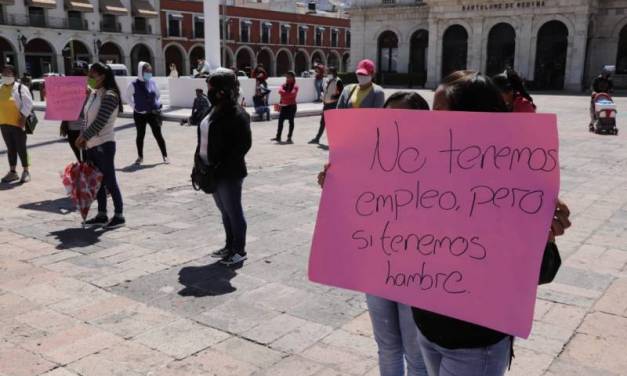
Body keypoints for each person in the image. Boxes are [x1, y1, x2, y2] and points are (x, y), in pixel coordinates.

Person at [411, 70, 571, 376]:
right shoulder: (421, 172)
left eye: (438, 112)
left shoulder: (516, 184)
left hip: (476, 343)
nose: (428, 120)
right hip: (427, 326)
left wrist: (545, 238)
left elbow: (543, 271)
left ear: (472, 119)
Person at [318, 92, 430, 376]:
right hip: (376, 266)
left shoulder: (440, 164)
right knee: (387, 346)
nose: (394, 123)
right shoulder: (370, 157)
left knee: (416, 352)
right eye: (388, 116)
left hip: (417, 272)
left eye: (403, 117)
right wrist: (332, 184)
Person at [198, 68, 252, 266]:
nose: (208, 91)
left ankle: (239, 250)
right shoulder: (212, 109)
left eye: (211, 87)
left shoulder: (238, 115)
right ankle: (229, 246)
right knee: (224, 211)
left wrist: (219, 165)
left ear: (222, 90)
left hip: (228, 173)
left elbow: (242, 147)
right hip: (210, 170)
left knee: (233, 211)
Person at [74, 62, 125, 229]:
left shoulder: (110, 95)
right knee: (98, 183)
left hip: (104, 143)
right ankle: (102, 214)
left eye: (92, 75)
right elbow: (86, 118)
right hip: (92, 144)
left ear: (102, 76)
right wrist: (83, 137)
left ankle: (119, 215)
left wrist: (83, 137)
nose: (89, 78)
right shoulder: (95, 94)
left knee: (110, 179)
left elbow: (100, 121)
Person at [127, 62, 169, 165]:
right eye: (146, 71)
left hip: (152, 113)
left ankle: (165, 156)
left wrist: (156, 103)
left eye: (150, 71)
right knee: (140, 135)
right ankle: (140, 157)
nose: (149, 73)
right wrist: (135, 107)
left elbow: (158, 95)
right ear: (141, 71)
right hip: (139, 114)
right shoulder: (133, 84)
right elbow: (128, 97)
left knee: (158, 135)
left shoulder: (152, 82)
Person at [0, 65, 32, 184]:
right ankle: (13, 172)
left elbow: (28, 104)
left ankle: (26, 170)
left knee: (21, 147)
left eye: (8, 73)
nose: (6, 75)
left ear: (14, 75)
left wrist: (23, 117)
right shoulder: (0, 88)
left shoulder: (20, 88)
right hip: (3, 123)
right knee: (10, 148)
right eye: (4, 73)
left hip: (18, 123)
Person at [60, 61, 90, 160]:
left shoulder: (90, 91)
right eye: (75, 72)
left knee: (87, 159)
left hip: (86, 129)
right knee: (80, 159)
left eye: (80, 73)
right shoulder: (67, 90)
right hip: (71, 128)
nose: (77, 75)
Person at [309, 66, 344, 144]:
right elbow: (325, 90)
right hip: (326, 104)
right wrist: (323, 96)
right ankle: (317, 138)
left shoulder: (338, 81)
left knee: (333, 124)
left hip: (333, 105)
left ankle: (337, 140)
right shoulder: (328, 80)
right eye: (328, 72)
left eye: (329, 72)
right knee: (323, 122)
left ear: (334, 72)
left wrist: (333, 97)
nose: (328, 73)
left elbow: (341, 94)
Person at [272, 71, 299, 143]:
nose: (287, 78)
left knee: (291, 122)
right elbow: (280, 91)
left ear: (293, 78)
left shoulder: (295, 86)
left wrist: (284, 95)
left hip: (291, 106)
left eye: (289, 77)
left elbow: (292, 94)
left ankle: (289, 137)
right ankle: (278, 137)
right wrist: (287, 94)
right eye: (286, 77)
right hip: (283, 106)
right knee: (280, 121)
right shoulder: (284, 85)